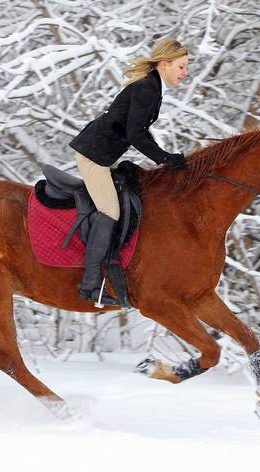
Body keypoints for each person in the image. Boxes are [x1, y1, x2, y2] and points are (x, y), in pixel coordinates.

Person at [69, 38, 189, 307]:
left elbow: (139, 131)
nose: (185, 73)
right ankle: (90, 285)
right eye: (181, 67)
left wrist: (165, 157)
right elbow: (135, 134)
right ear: (164, 64)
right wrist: (164, 158)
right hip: (94, 156)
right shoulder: (148, 89)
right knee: (110, 211)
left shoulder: (153, 87)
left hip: (104, 155)